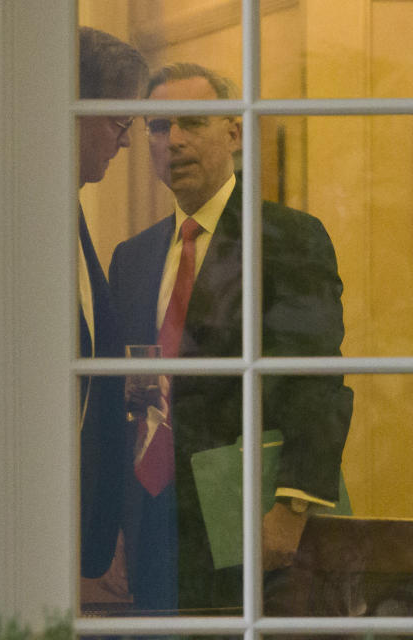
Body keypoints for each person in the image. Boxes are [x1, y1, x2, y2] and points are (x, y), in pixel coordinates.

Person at [108, 63, 353, 613]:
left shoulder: (287, 238)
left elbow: (318, 381)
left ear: (235, 134)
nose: (172, 140)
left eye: (191, 122)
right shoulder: (132, 258)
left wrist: (289, 512)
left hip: (248, 520)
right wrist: (113, 526)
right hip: (148, 524)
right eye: (157, 126)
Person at [76, 26, 148, 581]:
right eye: (119, 123)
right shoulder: (18, 221)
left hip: (81, 539)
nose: (127, 142)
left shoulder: (69, 216)